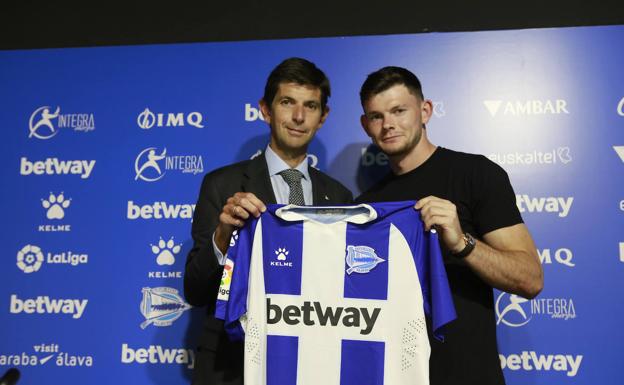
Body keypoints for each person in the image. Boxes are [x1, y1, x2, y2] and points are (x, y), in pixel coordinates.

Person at [356, 66, 543, 385]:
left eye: (399, 111)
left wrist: (462, 243)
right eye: (376, 116)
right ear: (366, 125)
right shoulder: (367, 205)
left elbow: (530, 279)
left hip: (468, 374)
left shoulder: (476, 174)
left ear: (425, 111)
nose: (388, 124)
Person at [184, 57, 353, 385]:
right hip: (234, 363)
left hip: (314, 362)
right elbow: (195, 290)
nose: (299, 116)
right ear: (265, 109)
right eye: (287, 102)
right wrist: (222, 236)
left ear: (323, 117)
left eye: (311, 106)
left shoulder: (340, 197)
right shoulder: (222, 185)